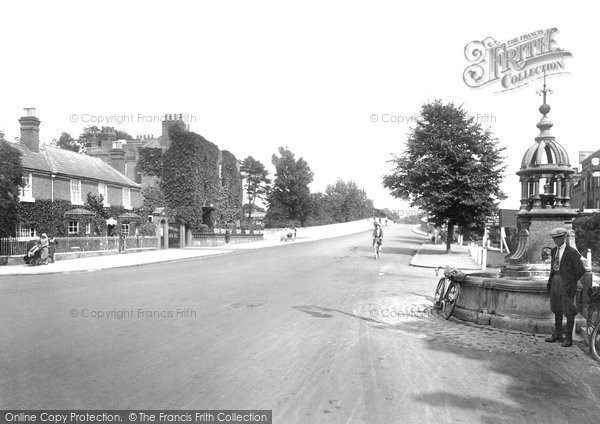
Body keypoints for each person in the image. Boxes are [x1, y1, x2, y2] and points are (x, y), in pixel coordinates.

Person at [545, 227, 586, 347]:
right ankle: (558, 335)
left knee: (569, 311)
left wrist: (570, 282)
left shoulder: (572, 252)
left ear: (564, 237)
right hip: (555, 281)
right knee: (556, 309)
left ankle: (568, 339)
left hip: (566, 284)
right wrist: (551, 282)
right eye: (554, 239)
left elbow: (580, 270)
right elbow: (553, 268)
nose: (556, 241)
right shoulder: (553, 251)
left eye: (558, 238)